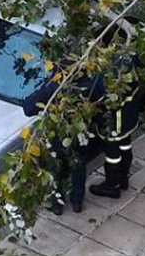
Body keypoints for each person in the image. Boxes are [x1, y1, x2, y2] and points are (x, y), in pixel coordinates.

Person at [23, 67, 105, 215]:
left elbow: (28, 108)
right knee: (78, 167)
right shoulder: (89, 86)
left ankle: (56, 204)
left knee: (55, 170)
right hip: (79, 137)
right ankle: (77, 201)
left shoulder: (52, 89)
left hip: (56, 137)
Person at [88, 28, 143, 199]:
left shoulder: (109, 73)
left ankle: (112, 185)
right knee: (126, 146)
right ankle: (123, 178)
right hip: (129, 115)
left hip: (113, 121)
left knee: (113, 155)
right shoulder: (130, 60)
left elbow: (97, 93)